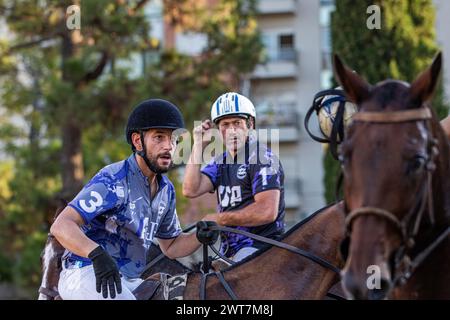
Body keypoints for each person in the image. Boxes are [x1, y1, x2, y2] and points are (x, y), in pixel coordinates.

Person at [51, 99, 204, 300]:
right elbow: (61, 226)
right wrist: (96, 254)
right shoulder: (113, 179)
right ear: (137, 141)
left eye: (173, 140)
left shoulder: (166, 190)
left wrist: (201, 235)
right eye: (159, 137)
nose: (169, 146)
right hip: (85, 272)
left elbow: (172, 246)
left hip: (129, 280)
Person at [183, 92, 286, 262]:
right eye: (225, 124)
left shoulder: (263, 158)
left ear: (250, 124)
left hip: (263, 250)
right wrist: (198, 145)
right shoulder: (221, 162)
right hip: (229, 253)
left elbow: (267, 211)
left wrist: (219, 219)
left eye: (237, 123)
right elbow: (190, 189)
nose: (231, 131)